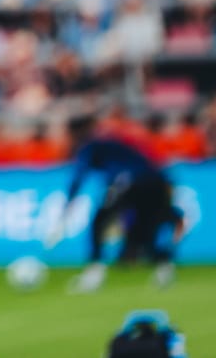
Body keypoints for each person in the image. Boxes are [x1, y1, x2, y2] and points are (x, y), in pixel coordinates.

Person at [45, 114, 179, 292]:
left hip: (128, 181)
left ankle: (94, 272)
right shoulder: (112, 138)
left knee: (99, 222)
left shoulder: (89, 145)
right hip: (157, 182)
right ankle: (164, 268)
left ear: (74, 132)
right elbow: (150, 157)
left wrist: (66, 210)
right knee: (145, 228)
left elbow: (78, 177)